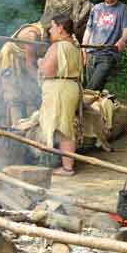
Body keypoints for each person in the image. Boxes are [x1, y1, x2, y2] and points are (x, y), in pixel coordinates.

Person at [37, 14, 83, 176]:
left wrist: (41, 63)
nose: (50, 30)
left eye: (52, 26)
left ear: (60, 28)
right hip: (70, 87)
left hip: (59, 90)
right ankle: (64, 165)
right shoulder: (74, 45)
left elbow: (48, 71)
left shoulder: (58, 47)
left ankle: (66, 167)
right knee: (65, 127)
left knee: (62, 128)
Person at [0, 21, 47, 126]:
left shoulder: (39, 33)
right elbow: (30, 65)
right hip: (9, 57)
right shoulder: (32, 35)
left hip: (21, 58)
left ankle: (29, 126)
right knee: (13, 95)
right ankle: (15, 128)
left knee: (30, 92)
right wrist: (42, 83)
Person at [81, 0, 127, 92]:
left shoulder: (122, 9)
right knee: (96, 90)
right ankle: (99, 107)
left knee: (91, 88)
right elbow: (88, 30)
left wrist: (122, 40)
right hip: (91, 53)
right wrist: (83, 48)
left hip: (108, 54)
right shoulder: (96, 8)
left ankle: (80, 106)